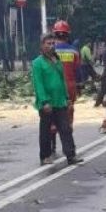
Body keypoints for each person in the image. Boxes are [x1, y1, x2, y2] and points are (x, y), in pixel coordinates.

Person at [31, 34, 82, 165]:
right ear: (42, 46)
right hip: (47, 102)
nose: (51, 46)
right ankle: (45, 156)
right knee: (46, 131)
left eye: (53, 43)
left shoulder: (57, 61)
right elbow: (38, 84)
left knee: (65, 129)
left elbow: (62, 80)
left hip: (60, 101)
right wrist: (44, 101)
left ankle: (71, 155)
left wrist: (67, 97)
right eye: (48, 43)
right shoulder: (37, 63)